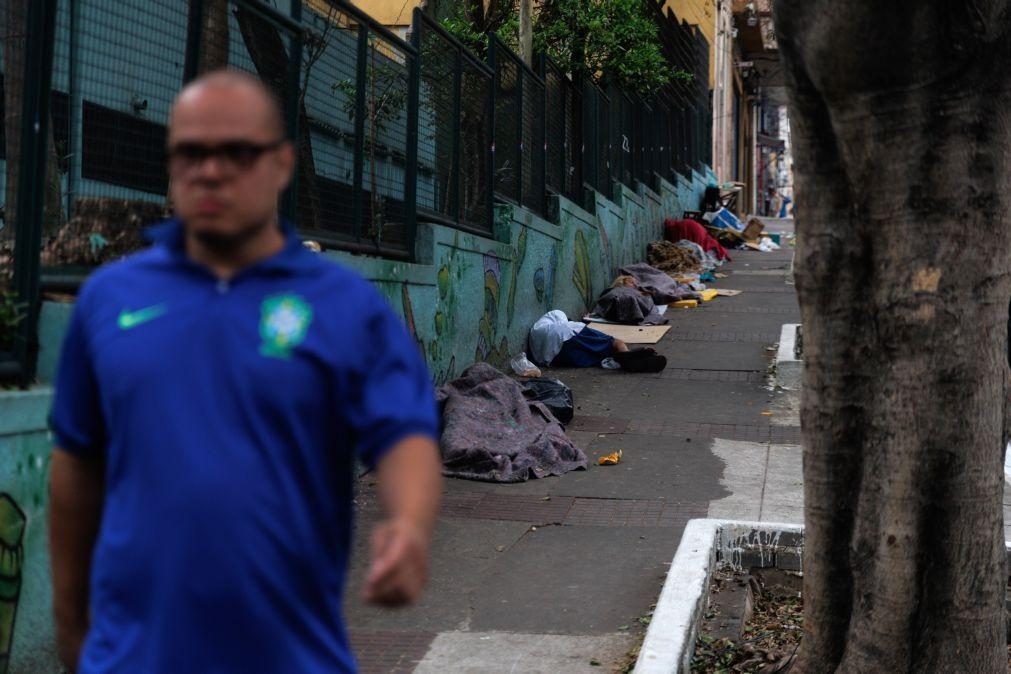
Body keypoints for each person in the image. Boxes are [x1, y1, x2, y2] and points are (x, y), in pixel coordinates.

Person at [48, 70, 443, 674]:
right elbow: (76, 461)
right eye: (190, 153)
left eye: (237, 152)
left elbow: (404, 434)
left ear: (282, 163)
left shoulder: (345, 307)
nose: (210, 170)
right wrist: (70, 623)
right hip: (131, 658)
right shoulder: (108, 299)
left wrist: (410, 526)